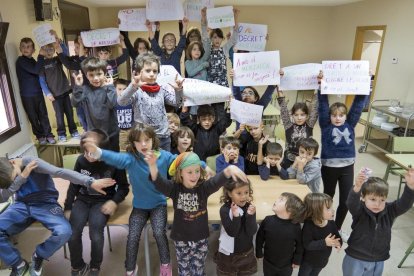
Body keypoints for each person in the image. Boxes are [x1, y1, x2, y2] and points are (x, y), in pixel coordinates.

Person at [82, 126, 177, 276]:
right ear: (133, 143)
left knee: (159, 232)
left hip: (159, 205)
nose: (144, 144)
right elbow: (114, 157)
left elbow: (182, 161)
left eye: (147, 140)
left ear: (153, 140)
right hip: (139, 207)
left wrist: (203, 167)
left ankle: (165, 264)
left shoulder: (164, 156)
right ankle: (130, 268)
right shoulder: (131, 159)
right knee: (133, 235)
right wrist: (97, 151)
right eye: (139, 141)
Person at [0, 156, 115, 276]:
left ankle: (39, 255)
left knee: (64, 231)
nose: (15, 182)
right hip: (22, 205)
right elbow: (3, 197)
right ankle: (18, 264)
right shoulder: (4, 172)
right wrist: (22, 177)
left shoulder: (32, 162)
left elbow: (59, 172)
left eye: (15, 178)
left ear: (13, 163)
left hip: (46, 204)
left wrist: (89, 181)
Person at [144, 150, 248, 276]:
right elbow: (158, 182)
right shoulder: (174, 188)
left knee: (198, 270)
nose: (194, 175)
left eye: (197, 171)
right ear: (180, 173)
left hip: (201, 238)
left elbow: (217, 181)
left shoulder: (203, 188)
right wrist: (152, 165)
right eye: (189, 172)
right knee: (184, 271)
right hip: (181, 239)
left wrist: (230, 169)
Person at [64, 129, 129, 276]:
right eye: (85, 152)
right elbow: (74, 184)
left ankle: (95, 266)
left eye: (91, 152)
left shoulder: (115, 163)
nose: (87, 156)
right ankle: (77, 266)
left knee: (96, 235)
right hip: (82, 200)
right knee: (73, 233)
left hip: (102, 201)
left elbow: (124, 188)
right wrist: (68, 207)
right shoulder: (81, 160)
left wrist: (114, 202)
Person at [318, 72, 370, 234]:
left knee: (346, 200)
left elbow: (358, 105)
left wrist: (365, 83)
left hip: (347, 167)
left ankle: (337, 227)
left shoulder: (350, 124)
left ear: (346, 116)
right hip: (329, 168)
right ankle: (324, 223)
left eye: (341, 115)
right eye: (334, 115)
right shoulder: (326, 125)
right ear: (330, 117)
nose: (338, 118)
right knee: (328, 197)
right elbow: (323, 105)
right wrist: (321, 86)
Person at [342, 168, 414, 276]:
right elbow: (351, 203)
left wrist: (410, 186)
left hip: (379, 258)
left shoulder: (389, 210)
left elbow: (404, 204)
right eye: (373, 199)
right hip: (356, 257)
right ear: (363, 198)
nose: (377, 204)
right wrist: (357, 187)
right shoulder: (359, 210)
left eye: (382, 200)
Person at [117, 52, 184, 151]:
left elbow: (178, 103)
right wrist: (132, 86)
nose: (152, 74)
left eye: (155, 71)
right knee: (146, 166)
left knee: (163, 166)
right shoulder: (136, 91)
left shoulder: (161, 89)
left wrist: (179, 91)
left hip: (163, 137)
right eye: (148, 71)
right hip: (144, 139)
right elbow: (121, 102)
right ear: (139, 72)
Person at [71, 57, 120, 151]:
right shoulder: (85, 89)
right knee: (97, 160)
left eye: (99, 74)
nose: (96, 78)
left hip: (111, 134)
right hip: (94, 135)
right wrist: (78, 86)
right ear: (86, 75)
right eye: (91, 75)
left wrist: (110, 87)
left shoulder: (109, 88)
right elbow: (75, 103)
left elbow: (112, 104)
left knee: (113, 161)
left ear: (105, 73)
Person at [39, 33, 79, 142]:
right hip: (55, 95)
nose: (49, 51)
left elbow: (65, 54)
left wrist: (60, 44)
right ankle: (61, 134)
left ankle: (74, 131)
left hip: (65, 91)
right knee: (59, 116)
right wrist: (47, 93)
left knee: (70, 113)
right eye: (46, 49)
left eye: (51, 49)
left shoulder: (57, 59)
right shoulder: (41, 64)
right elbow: (42, 81)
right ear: (41, 50)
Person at [15, 37, 55, 145]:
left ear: (33, 50)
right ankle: (40, 136)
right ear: (20, 48)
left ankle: (49, 135)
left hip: (38, 93)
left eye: (28, 47)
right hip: (27, 95)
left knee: (43, 115)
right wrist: (41, 55)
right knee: (33, 117)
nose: (25, 49)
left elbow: (39, 71)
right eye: (23, 46)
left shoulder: (32, 60)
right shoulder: (21, 61)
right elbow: (35, 70)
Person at [256, 192, 305, 276]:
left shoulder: (295, 227)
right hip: (268, 263)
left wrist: (297, 260)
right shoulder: (268, 220)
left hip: (286, 265)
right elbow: (259, 238)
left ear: (290, 209)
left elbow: (300, 245)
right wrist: (259, 252)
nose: (276, 200)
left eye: (281, 199)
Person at [215, 179, 257, 275]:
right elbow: (232, 233)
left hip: (246, 253)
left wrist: (250, 215)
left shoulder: (249, 207)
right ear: (230, 193)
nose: (244, 196)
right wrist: (236, 216)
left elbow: (251, 232)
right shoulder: (224, 210)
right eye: (239, 193)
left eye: (246, 192)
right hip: (229, 255)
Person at [299, 193, 342, 276]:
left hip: (322, 261)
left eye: (332, 207)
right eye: (328, 209)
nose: (333, 210)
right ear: (316, 211)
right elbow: (307, 244)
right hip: (308, 261)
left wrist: (338, 243)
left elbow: (337, 236)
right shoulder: (309, 226)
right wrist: (324, 242)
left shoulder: (331, 223)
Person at [207, 9, 239, 120]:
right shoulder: (207, 50)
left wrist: (235, 17)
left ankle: (221, 134)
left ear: (222, 38)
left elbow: (234, 37)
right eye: (214, 37)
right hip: (210, 85)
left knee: (220, 112)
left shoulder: (224, 49)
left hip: (222, 85)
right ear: (211, 39)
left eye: (219, 37)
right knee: (210, 113)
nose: (217, 39)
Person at [277, 88, 318, 169]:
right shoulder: (288, 125)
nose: (299, 118)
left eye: (302, 115)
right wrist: (279, 89)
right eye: (296, 115)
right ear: (292, 115)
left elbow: (315, 108)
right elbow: (283, 108)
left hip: (305, 159)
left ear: (307, 116)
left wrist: (317, 92)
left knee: (301, 179)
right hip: (289, 159)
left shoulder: (309, 125)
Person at [115, 78, 133, 151]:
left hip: (132, 130)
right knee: (123, 151)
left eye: (124, 89)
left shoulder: (131, 101)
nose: (122, 92)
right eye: (119, 89)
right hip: (121, 131)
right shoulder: (113, 102)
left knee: (134, 150)